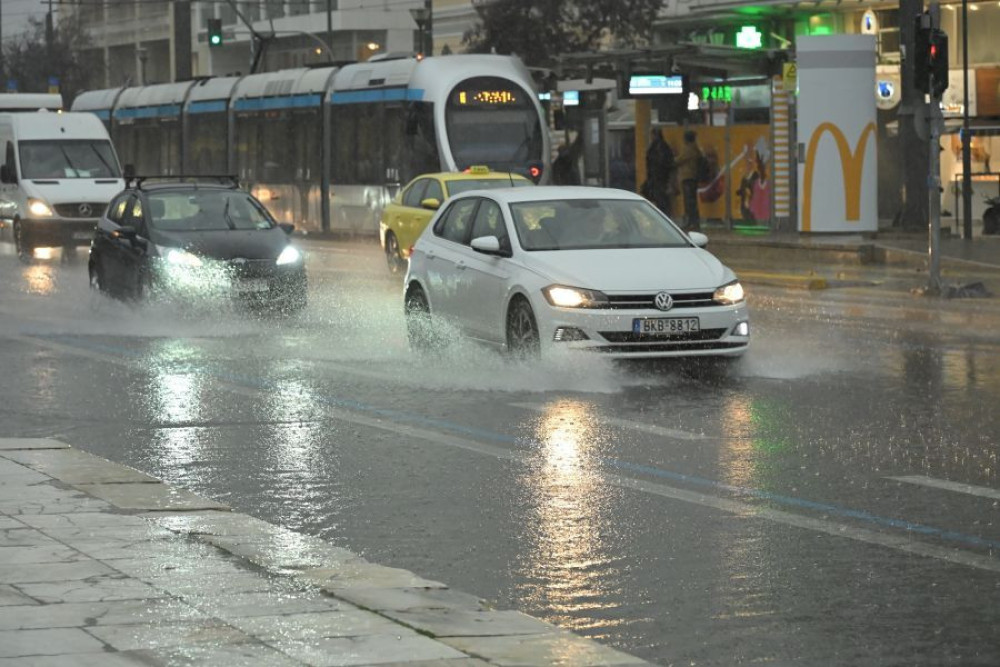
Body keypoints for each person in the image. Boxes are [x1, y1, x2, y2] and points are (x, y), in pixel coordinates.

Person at [642, 127, 675, 216]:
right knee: (661, 198)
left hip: (658, 177)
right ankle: (664, 214)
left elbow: (658, 162)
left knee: (660, 198)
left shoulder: (657, 147)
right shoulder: (663, 146)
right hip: (660, 177)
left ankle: (663, 214)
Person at [675, 129, 702, 231]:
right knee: (692, 201)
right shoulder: (696, 149)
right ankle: (694, 222)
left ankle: (691, 222)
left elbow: (678, 160)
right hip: (693, 177)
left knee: (689, 202)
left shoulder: (688, 149)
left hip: (688, 177)